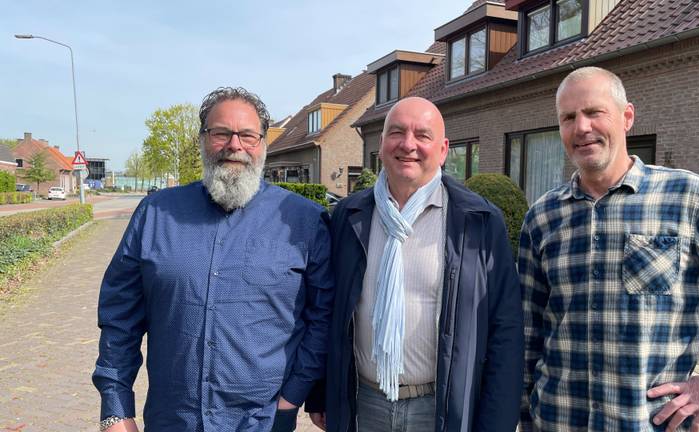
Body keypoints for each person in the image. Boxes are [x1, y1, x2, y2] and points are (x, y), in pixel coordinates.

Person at [518, 66, 699, 431]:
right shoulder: (542, 217)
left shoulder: (692, 200)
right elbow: (529, 334)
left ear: (626, 117)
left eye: (594, 112)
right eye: (568, 117)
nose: (581, 127)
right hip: (554, 421)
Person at [92, 87, 334, 432]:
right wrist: (115, 409)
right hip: (171, 419)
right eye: (221, 133)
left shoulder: (305, 221)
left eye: (248, 135)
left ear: (263, 143)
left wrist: (294, 394)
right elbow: (120, 317)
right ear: (202, 140)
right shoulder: (156, 214)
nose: (234, 145)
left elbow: (323, 316)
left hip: (263, 421)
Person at [305, 97, 523, 432]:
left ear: (443, 149)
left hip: (441, 408)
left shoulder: (479, 222)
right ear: (381, 145)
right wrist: (320, 392)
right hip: (363, 403)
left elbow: (505, 330)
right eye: (397, 133)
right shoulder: (347, 219)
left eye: (422, 135)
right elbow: (328, 310)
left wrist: (496, 421)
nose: (408, 144)